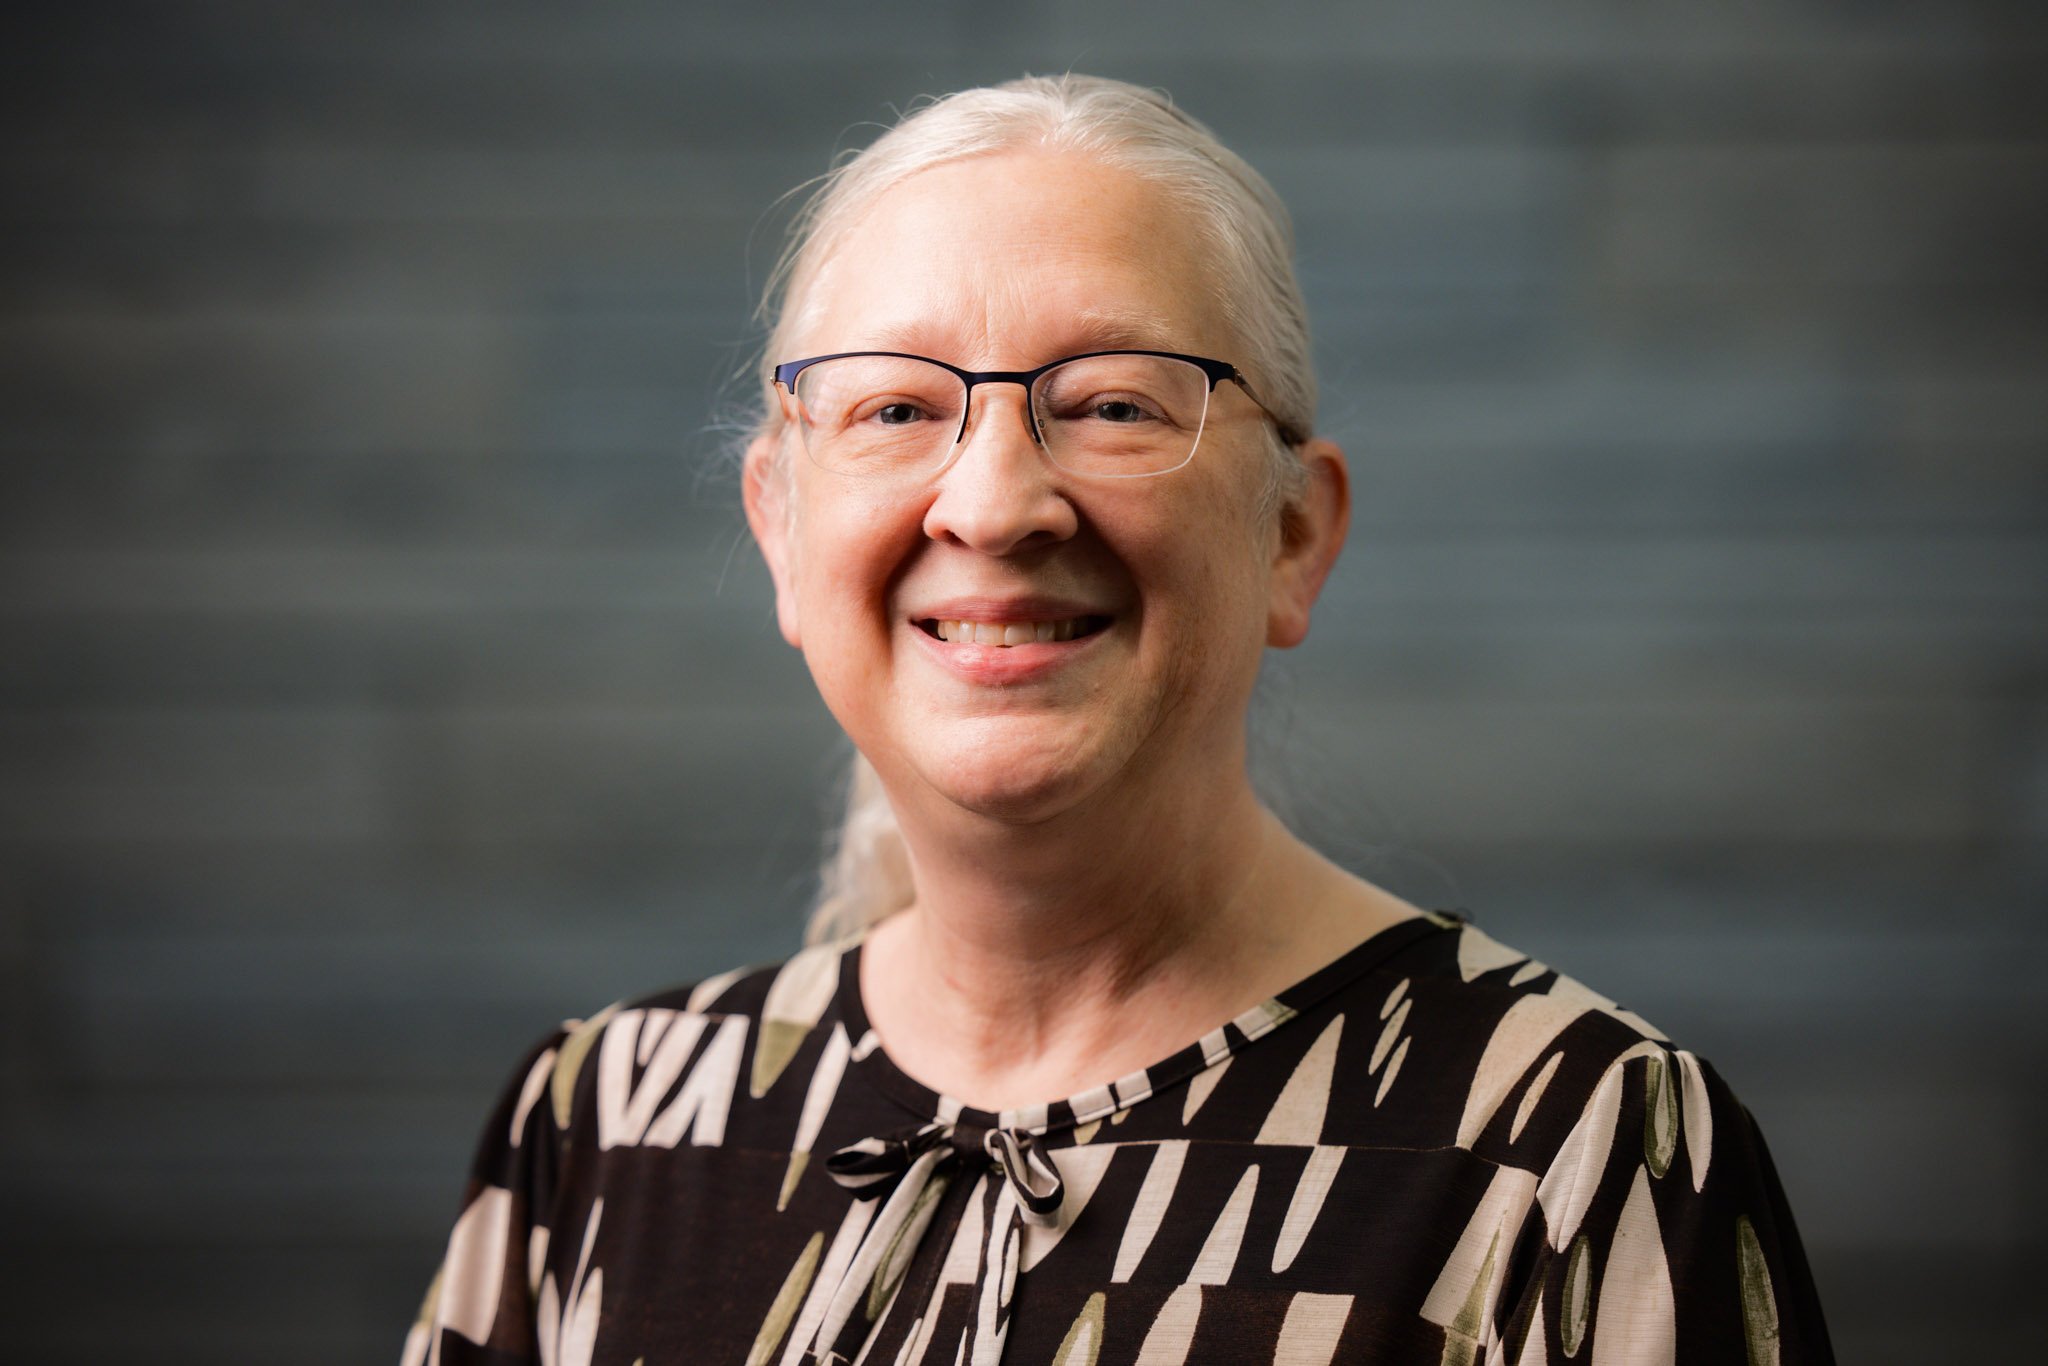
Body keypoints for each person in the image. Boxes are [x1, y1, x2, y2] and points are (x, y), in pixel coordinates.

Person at [403, 75, 1833, 1365]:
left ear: (1293, 535)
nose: (992, 505)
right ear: (780, 529)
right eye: (896, 409)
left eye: (1111, 405)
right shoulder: (602, 1131)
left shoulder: (1573, 1157)